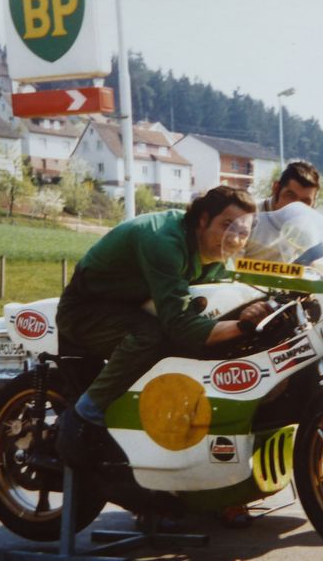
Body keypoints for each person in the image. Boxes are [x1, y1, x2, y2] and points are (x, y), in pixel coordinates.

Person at [56, 186, 270, 473]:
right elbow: (181, 327)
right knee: (150, 338)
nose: (235, 238)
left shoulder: (215, 257)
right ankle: (85, 414)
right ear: (203, 220)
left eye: (242, 232)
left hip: (134, 306)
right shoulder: (164, 241)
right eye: (226, 226)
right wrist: (244, 326)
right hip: (87, 307)